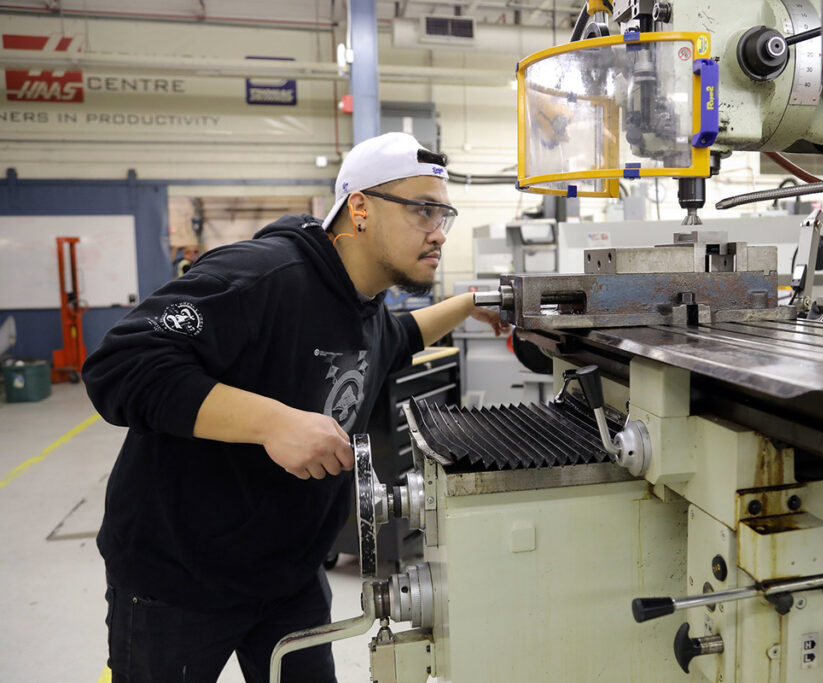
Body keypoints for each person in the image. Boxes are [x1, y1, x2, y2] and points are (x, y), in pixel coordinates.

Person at [82, 132, 509, 683]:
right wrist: (273, 423)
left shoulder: (365, 305)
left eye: (443, 214)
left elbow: (396, 338)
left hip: (288, 579)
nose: (438, 233)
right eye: (422, 210)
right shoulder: (264, 276)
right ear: (360, 208)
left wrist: (468, 303)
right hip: (180, 578)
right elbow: (120, 364)